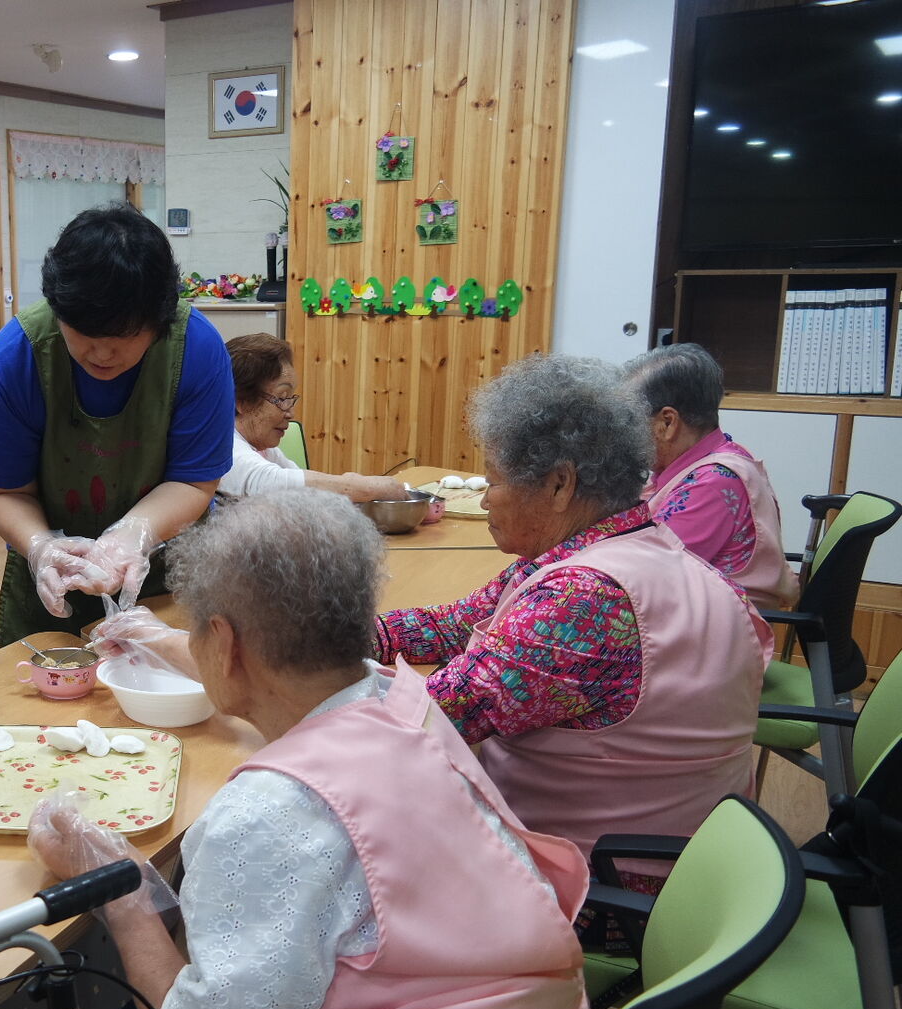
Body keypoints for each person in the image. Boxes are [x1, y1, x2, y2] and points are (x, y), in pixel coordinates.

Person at [102, 356, 774, 892]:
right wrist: (324, 628)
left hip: (595, 880)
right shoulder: (627, 546)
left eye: (494, 480)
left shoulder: (583, 599)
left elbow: (406, 724)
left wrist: (221, 651)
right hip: (682, 849)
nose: (487, 499)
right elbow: (454, 624)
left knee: (300, 844)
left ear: (561, 485)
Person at [33, 489, 591, 1009]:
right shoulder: (402, 699)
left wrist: (122, 894)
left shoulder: (267, 812)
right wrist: (159, 639)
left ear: (224, 644)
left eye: (195, 630)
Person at [0, 202, 234, 645]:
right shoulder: (14, 360)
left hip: (168, 574)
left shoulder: (196, 349)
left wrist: (133, 535)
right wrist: (42, 547)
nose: (103, 354)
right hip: (51, 584)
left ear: (159, 322)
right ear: (58, 310)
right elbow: (3, 492)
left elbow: (194, 481)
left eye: (124, 337)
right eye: (85, 335)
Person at [623, 342, 799, 611]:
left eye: (630, 421)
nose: (624, 434)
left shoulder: (712, 482)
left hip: (720, 625)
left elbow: (646, 574)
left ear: (667, 422)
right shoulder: (711, 457)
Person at [218, 333, 408, 502]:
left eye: (290, 399)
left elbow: (303, 486)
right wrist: (357, 487)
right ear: (242, 402)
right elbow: (267, 482)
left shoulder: (263, 449)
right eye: (281, 398)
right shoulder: (220, 445)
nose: (290, 413)